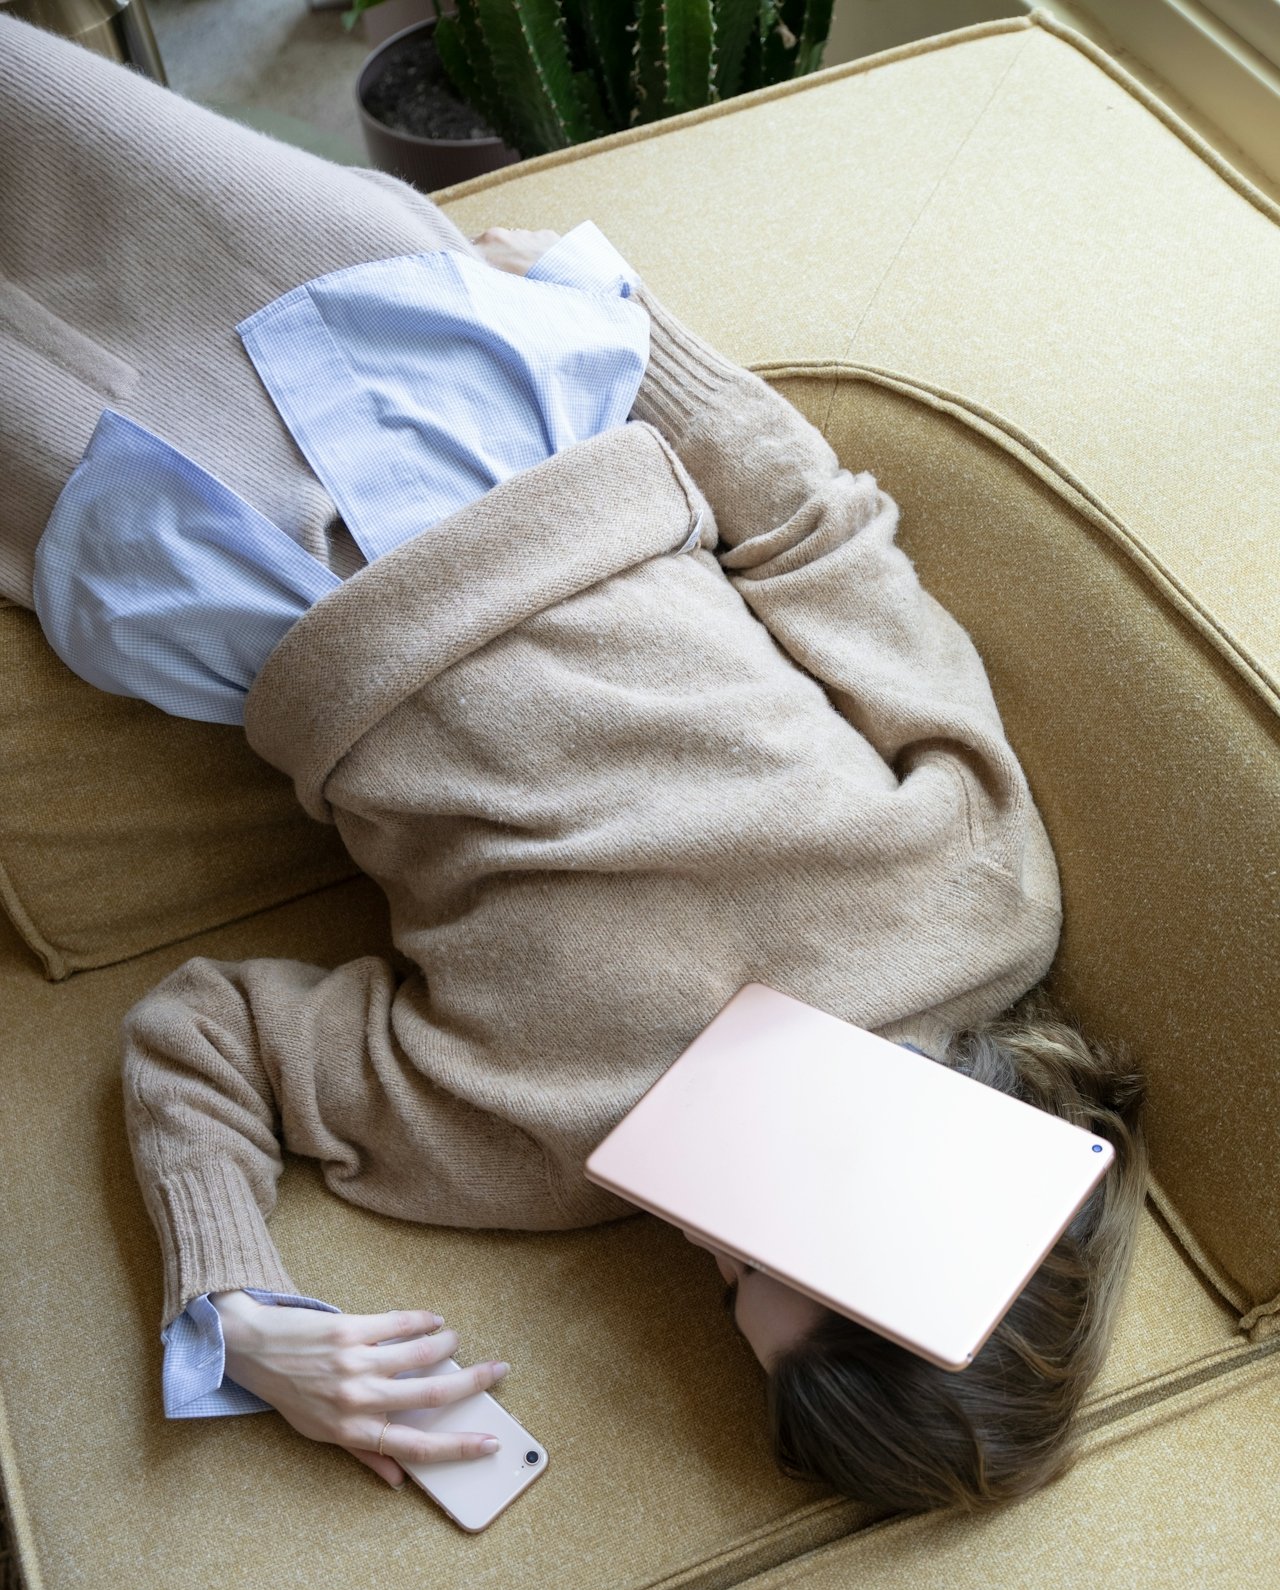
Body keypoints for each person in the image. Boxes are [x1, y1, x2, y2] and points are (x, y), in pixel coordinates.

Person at [2, 14, 1147, 1514]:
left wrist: (243, 1311)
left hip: (199, 563)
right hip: (446, 384)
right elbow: (818, 540)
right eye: (770, 1239)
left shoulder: (528, 1152)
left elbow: (204, 1037)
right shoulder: (980, 898)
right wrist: (622, 327)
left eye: (730, 1273)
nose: (706, 1231)